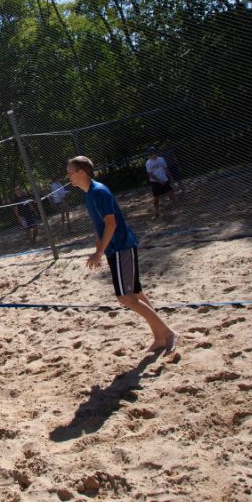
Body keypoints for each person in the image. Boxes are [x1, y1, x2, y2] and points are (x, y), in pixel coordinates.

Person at [67, 157, 176, 353]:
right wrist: (98, 251)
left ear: (81, 172)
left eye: (71, 172)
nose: (69, 176)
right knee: (135, 293)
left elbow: (111, 224)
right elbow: (99, 227)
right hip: (116, 248)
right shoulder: (89, 194)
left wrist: (100, 252)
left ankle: (167, 333)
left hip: (120, 247)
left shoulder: (98, 192)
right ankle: (160, 336)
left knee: (125, 298)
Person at [144, 147, 175, 218]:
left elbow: (166, 168)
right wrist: (159, 181)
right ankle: (157, 212)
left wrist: (170, 176)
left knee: (171, 193)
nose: (153, 154)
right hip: (155, 182)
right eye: (151, 153)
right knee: (156, 198)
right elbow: (150, 174)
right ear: (149, 154)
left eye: (154, 152)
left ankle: (175, 208)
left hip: (164, 179)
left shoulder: (161, 159)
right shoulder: (148, 163)